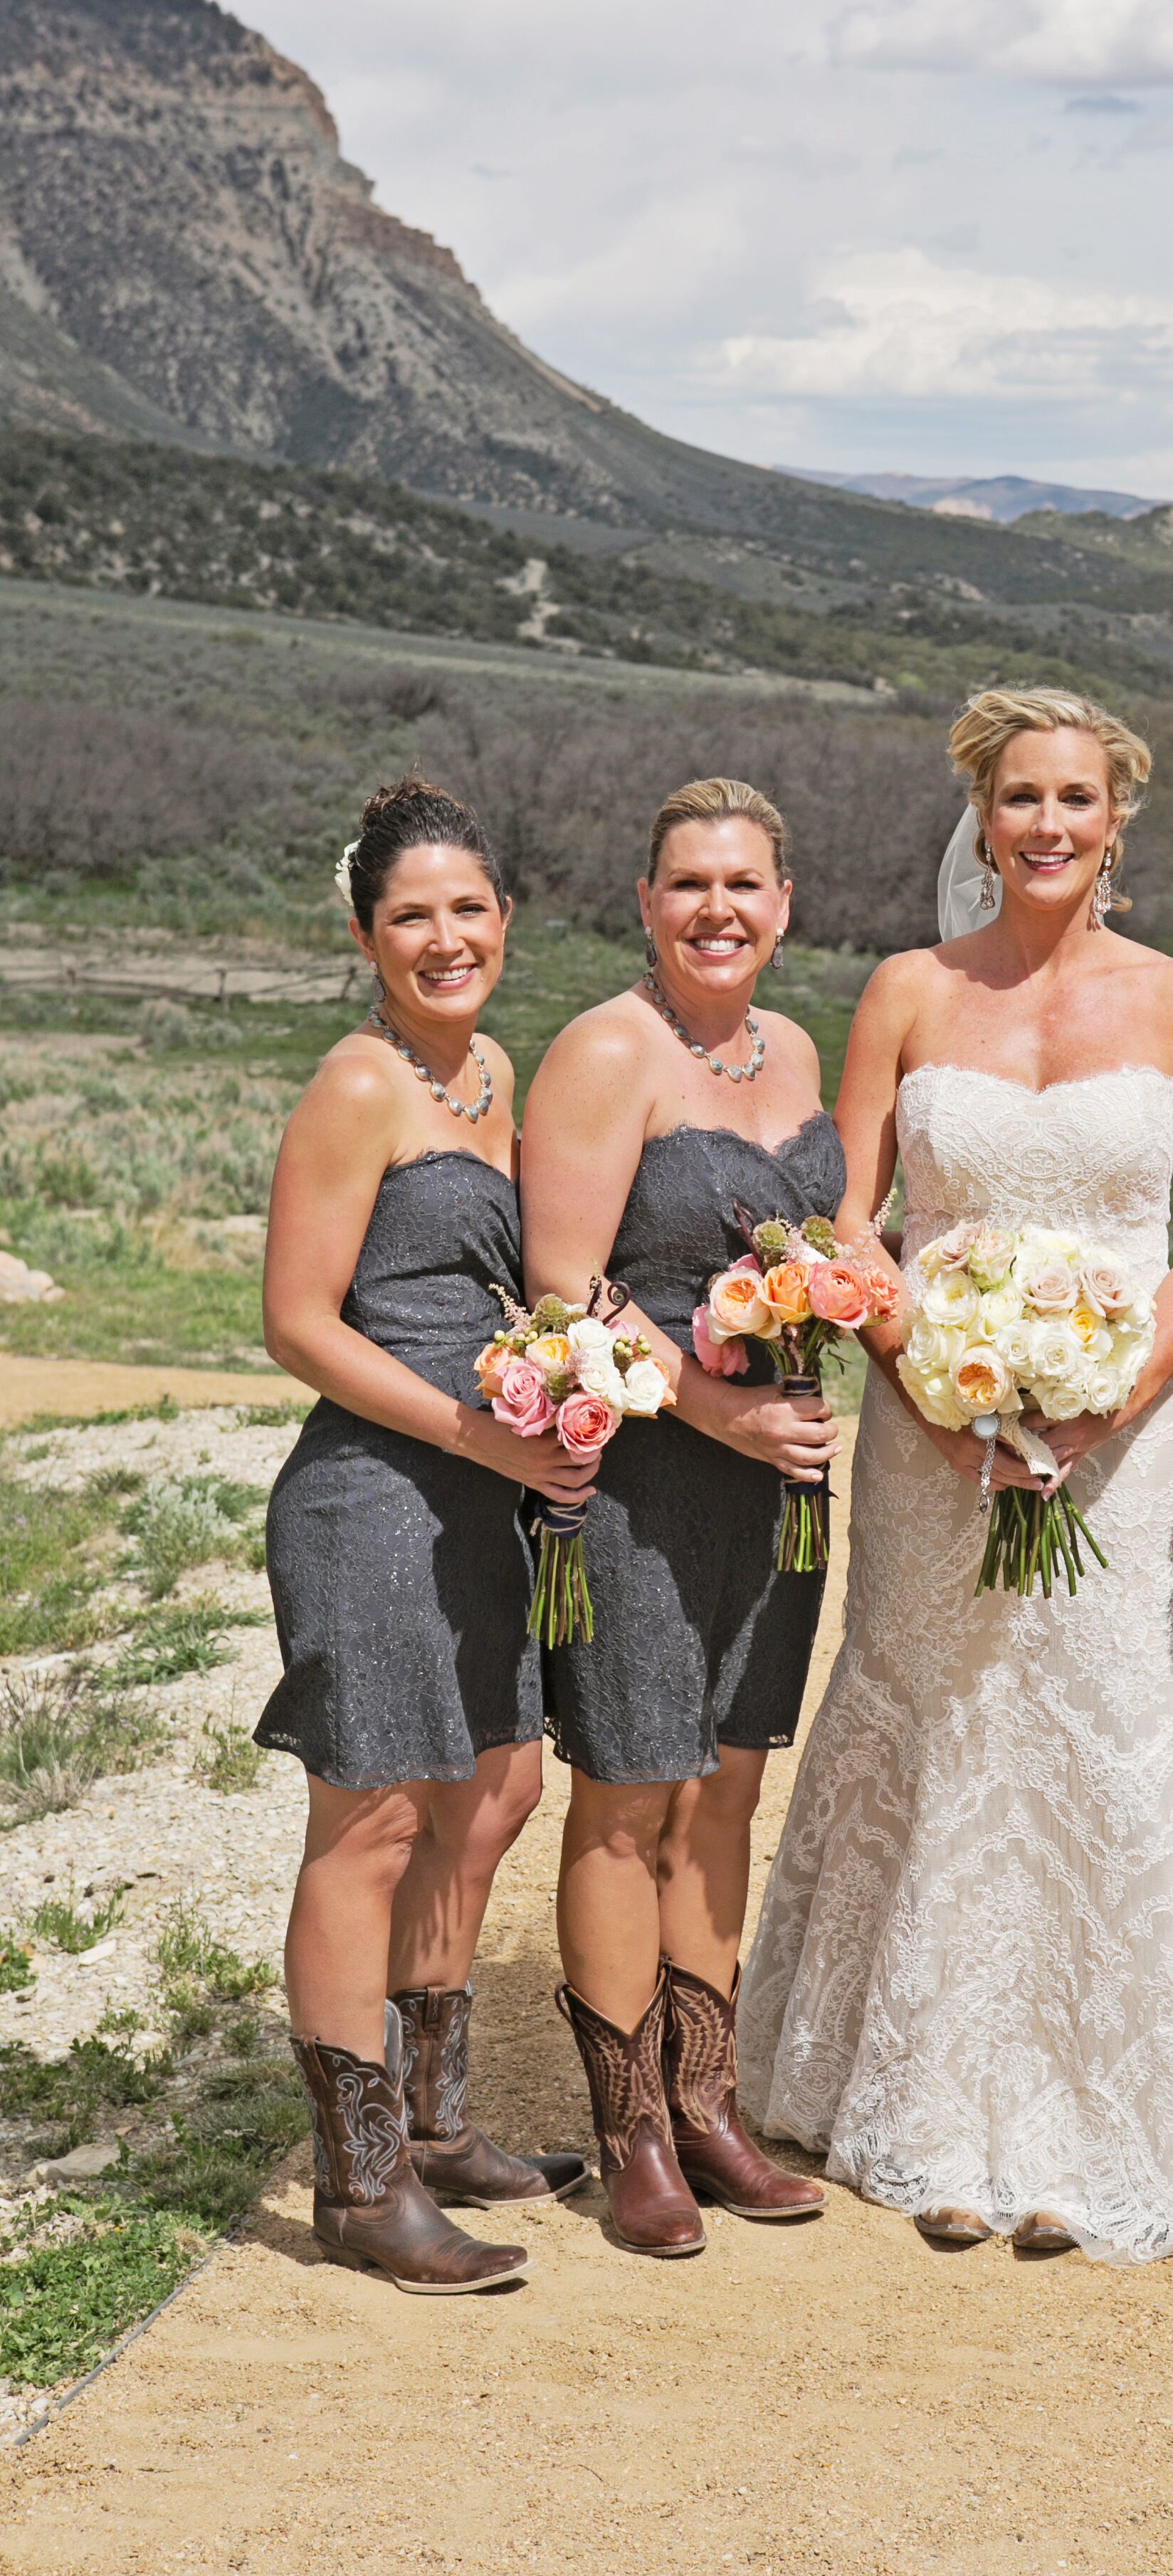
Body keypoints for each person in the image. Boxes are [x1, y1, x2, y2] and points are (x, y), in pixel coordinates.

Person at [740, 685, 1173, 2265]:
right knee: (949, 1712)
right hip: (935, 1434)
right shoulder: (907, 991)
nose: (1048, 825)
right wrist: (937, 1386)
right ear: (982, 817)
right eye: (1021, 798)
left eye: (1077, 799)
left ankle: (1108, 2122)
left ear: (1121, 820)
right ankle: (933, 2112)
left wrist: (1104, 1408)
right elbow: (852, 1226)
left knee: (1116, 1723)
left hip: (1127, 1442)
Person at [261, 778, 593, 2295]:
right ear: (364, 934)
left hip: (483, 1497)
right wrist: (475, 1431)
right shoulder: (359, 1086)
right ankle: (360, 2178)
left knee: (498, 1783)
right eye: (412, 917)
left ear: (506, 922)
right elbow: (296, 1322)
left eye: (469, 910)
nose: (445, 938)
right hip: (375, 1497)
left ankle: (442, 2115)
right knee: (375, 1818)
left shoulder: (493, 1072)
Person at [520, 777, 838, 2256]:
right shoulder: (606, 1051)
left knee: (727, 1788)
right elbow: (567, 1285)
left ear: (785, 905)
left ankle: (710, 2102)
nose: (719, 910)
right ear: (646, 902)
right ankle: (631, 2124)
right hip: (647, 1476)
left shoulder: (800, 1049)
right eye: (689, 884)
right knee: (630, 1794)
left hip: (778, 1491)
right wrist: (721, 1411)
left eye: (745, 886)